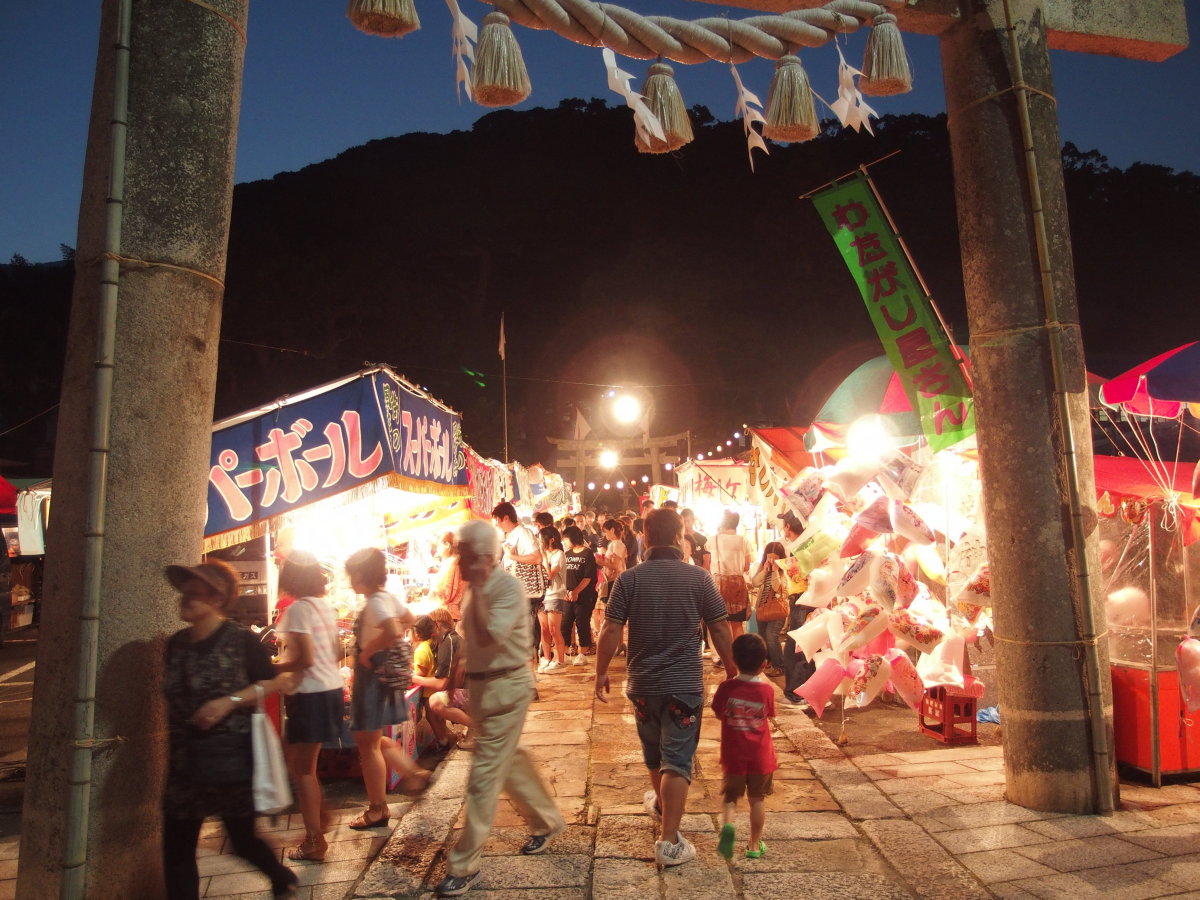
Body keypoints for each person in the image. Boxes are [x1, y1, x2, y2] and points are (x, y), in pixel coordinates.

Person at [594, 508, 735, 869]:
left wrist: (600, 672)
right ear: (679, 536)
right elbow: (720, 627)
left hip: (643, 685)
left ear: (645, 535)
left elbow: (611, 630)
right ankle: (669, 840)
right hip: (684, 686)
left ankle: (661, 804)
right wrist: (732, 670)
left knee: (655, 754)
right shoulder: (699, 579)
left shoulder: (630, 579)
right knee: (677, 758)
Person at [435, 521, 565, 897]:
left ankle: (464, 864)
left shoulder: (505, 587)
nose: (461, 561)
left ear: (487, 557)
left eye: (468, 555)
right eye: (462, 555)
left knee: (484, 777)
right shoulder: (476, 589)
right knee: (508, 761)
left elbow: (491, 633)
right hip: (485, 689)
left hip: (507, 687)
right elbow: (469, 641)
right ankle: (546, 821)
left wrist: (472, 591)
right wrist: (458, 672)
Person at [161, 560, 299, 900]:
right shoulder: (176, 644)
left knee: (242, 841)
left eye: (196, 594)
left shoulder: (241, 641)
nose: (186, 600)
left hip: (231, 761)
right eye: (185, 593)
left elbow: (277, 681)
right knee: (176, 848)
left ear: (218, 599)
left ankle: (280, 876)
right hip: (184, 762)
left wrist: (229, 701)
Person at [345, 547, 430, 831]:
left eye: (351, 574)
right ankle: (412, 773)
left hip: (372, 677)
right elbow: (408, 618)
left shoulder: (375, 603)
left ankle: (377, 809)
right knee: (372, 739)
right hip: (382, 678)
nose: (349, 580)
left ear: (360, 575)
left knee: (366, 744)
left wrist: (369, 651)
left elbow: (394, 631)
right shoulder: (387, 598)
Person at [273, 552, 345, 863]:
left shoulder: (301, 609)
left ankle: (315, 840)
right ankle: (320, 818)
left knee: (301, 769)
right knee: (302, 765)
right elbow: (334, 650)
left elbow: (303, 659)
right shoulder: (323, 606)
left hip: (310, 694)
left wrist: (270, 668)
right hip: (328, 690)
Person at [712, 633, 778, 861]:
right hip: (761, 757)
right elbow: (769, 714)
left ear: (734, 659)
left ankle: (728, 826)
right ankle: (753, 843)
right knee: (757, 800)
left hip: (734, 756)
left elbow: (719, 712)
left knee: (730, 798)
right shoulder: (767, 691)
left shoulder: (726, 688)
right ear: (763, 664)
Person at [492, 501, 545, 659]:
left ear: (506, 518)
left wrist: (513, 556)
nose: (498, 525)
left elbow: (537, 558)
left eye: (498, 521)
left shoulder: (523, 533)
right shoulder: (511, 536)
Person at [418, 607, 470, 751]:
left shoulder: (449, 642)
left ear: (437, 625)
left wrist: (413, 678)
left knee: (434, 701)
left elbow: (441, 684)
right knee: (433, 702)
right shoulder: (450, 640)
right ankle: (445, 741)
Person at [778, 512, 816, 706]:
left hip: (802, 600)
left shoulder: (799, 548)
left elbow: (798, 578)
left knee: (797, 647)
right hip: (811, 600)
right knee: (807, 645)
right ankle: (810, 692)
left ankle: (798, 693)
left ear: (787, 526)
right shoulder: (810, 543)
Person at [711, 510, 753, 641]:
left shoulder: (714, 539)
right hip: (737, 585)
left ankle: (727, 657)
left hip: (719, 586)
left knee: (723, 623)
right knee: (737, 624)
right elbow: (746, 567)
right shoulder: (743, 541)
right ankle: (739, 656)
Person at [749, 542, 787, 676]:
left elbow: (778, 588)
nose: (771, 560)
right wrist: (764, 571)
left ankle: (780, 666)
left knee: (772, 636)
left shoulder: (784, 568)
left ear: (780, 557)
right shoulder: (764, 567)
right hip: (762, 608)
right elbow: (755, 583)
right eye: (769, 557)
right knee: (763, 636)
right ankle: (769, 661)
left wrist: (775, 571)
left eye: (774, 557)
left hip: (777, 609)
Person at [561, 525, 598, 664]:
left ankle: (583, 653)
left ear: (573, 537)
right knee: (565, 624)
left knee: (582, 623)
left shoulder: (587, 553)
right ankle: (564, 651)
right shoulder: (567, 554)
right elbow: (563, 575)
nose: (564, 541)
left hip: (584, 596)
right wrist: (565, 591)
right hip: (567, 595)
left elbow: (588, 577)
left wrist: (576, 591)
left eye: (566, 538)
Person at [537, 526, 569, 672]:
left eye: (541, 538)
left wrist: (543, 557)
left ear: (551, 539)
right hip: (541, 595)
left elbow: (550, 575)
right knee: (544, 629)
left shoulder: (559, 554)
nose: (539, 541)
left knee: (554, 629)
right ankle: (547, 659)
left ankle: (560, 660)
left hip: (555, 594)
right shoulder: (541, 554)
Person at [433, 531, 465, 621]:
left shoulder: (452, 562)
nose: (437, 550)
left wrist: (432, 595)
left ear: (447, 544)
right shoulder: (459, 561)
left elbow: (445, 593)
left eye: (438, 546)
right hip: (460, 614)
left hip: (450, 614)